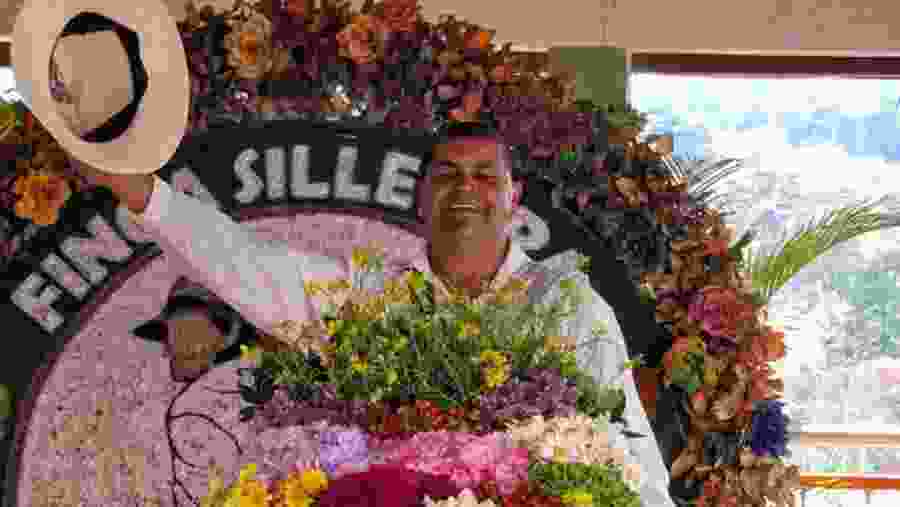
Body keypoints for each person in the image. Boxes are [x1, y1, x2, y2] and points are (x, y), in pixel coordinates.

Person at [74, 121, 675, 505]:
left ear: (512, 196)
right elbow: (252, 266)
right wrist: (145, 196)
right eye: (448, 174)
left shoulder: (564, 302)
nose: (466, 188)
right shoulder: (375, 296)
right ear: (423, 194)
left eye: (484, 176)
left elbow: (626, 444)